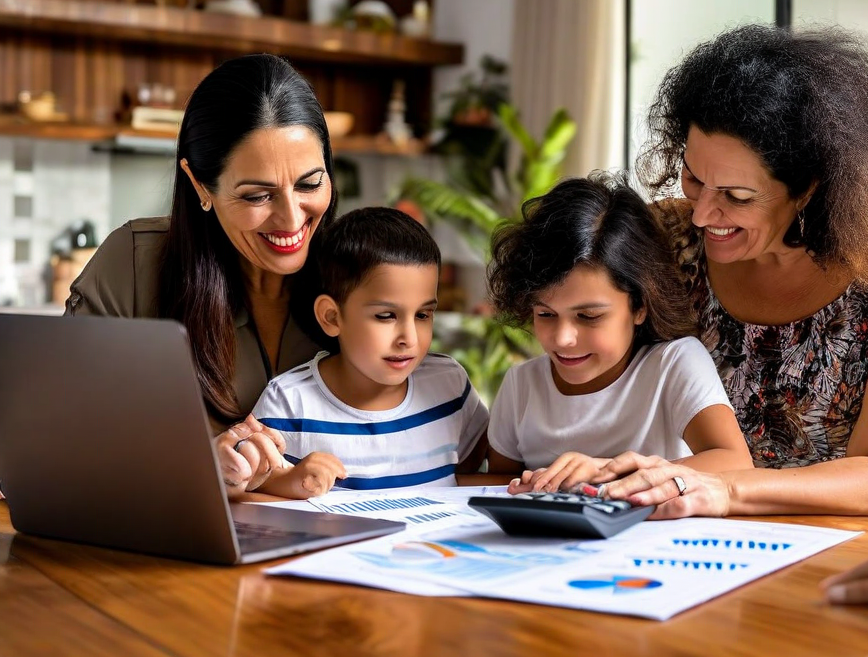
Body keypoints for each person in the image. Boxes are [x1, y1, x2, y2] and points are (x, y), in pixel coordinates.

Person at [591, 24, 868, 529]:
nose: (703, 213)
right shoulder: (672, 242)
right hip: (757, 538)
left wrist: (719, 486)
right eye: (694, 177)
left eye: (737, 196)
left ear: (812, 188)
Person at [67, 53, 338, 496]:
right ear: (199, 186)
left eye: (310, 184)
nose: (292, 218)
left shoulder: (356, 272)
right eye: (258, 195)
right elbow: (56, 437)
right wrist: (191, 465)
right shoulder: (134, 265)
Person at [484, 176, 752, 488]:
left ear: (639, 305)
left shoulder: (672, 364)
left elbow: (735, 462)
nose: (562, 338)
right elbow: (497, 484)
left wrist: (606, 470)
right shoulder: (521, 387)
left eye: (588, 316)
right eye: (545, 314)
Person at [251, 207, 489, 495]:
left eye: (423, 315)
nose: (409, 339)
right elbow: (251, 493)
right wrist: (293, 481)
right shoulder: (288, 403)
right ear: (331, 317)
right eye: (386, 316)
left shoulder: (450, 384)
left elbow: (467, 475)